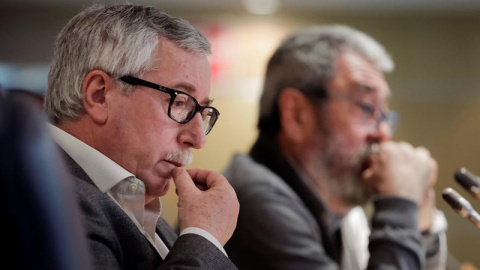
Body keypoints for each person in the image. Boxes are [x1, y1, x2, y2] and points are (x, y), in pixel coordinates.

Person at [223, 25, 447, 269]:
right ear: (296, 115)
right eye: (367, 108)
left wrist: (418, 224)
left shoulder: (334, 208)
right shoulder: (254, 204)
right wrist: (398, 205)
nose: (383, 134)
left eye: (383, 115)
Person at [44, 4, 239, 269]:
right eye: (180, 102)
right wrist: (205, 236)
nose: (197, 139)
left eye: (202, 112)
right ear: (99, 95)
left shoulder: (133, 198)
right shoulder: (45, 194)